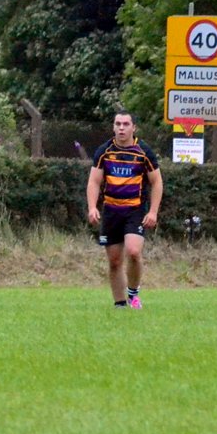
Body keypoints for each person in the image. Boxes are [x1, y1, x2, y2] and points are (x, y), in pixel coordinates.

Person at [86, 111, 163, 309]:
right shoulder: (104, 151)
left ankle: (133, 294)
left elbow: (157, 182)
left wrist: (153, 212)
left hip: (134, 211)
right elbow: (94, 181)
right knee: (114, 261)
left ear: (133, 127)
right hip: (111, 211)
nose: (121, 128)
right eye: (118, 124)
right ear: (113, 127)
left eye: (126, 124)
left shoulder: (143, 152)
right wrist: (92, 207)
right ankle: (120, 304)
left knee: (134, 252)